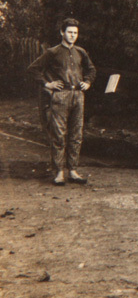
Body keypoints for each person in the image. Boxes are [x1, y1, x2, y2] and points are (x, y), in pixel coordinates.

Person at [28, 18, 96, 186]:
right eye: (69, 32)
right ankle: (59, 172)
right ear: (62, 33)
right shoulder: (53, 52)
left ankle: (72, 171)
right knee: (59, 134)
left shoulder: (81, 52)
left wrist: (87, 82)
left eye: (75, 33)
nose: (72, 36)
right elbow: (33, 69)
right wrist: (47, 83)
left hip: (78, 95)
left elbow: (91, 69)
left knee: (76, 134)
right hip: (60, 96)